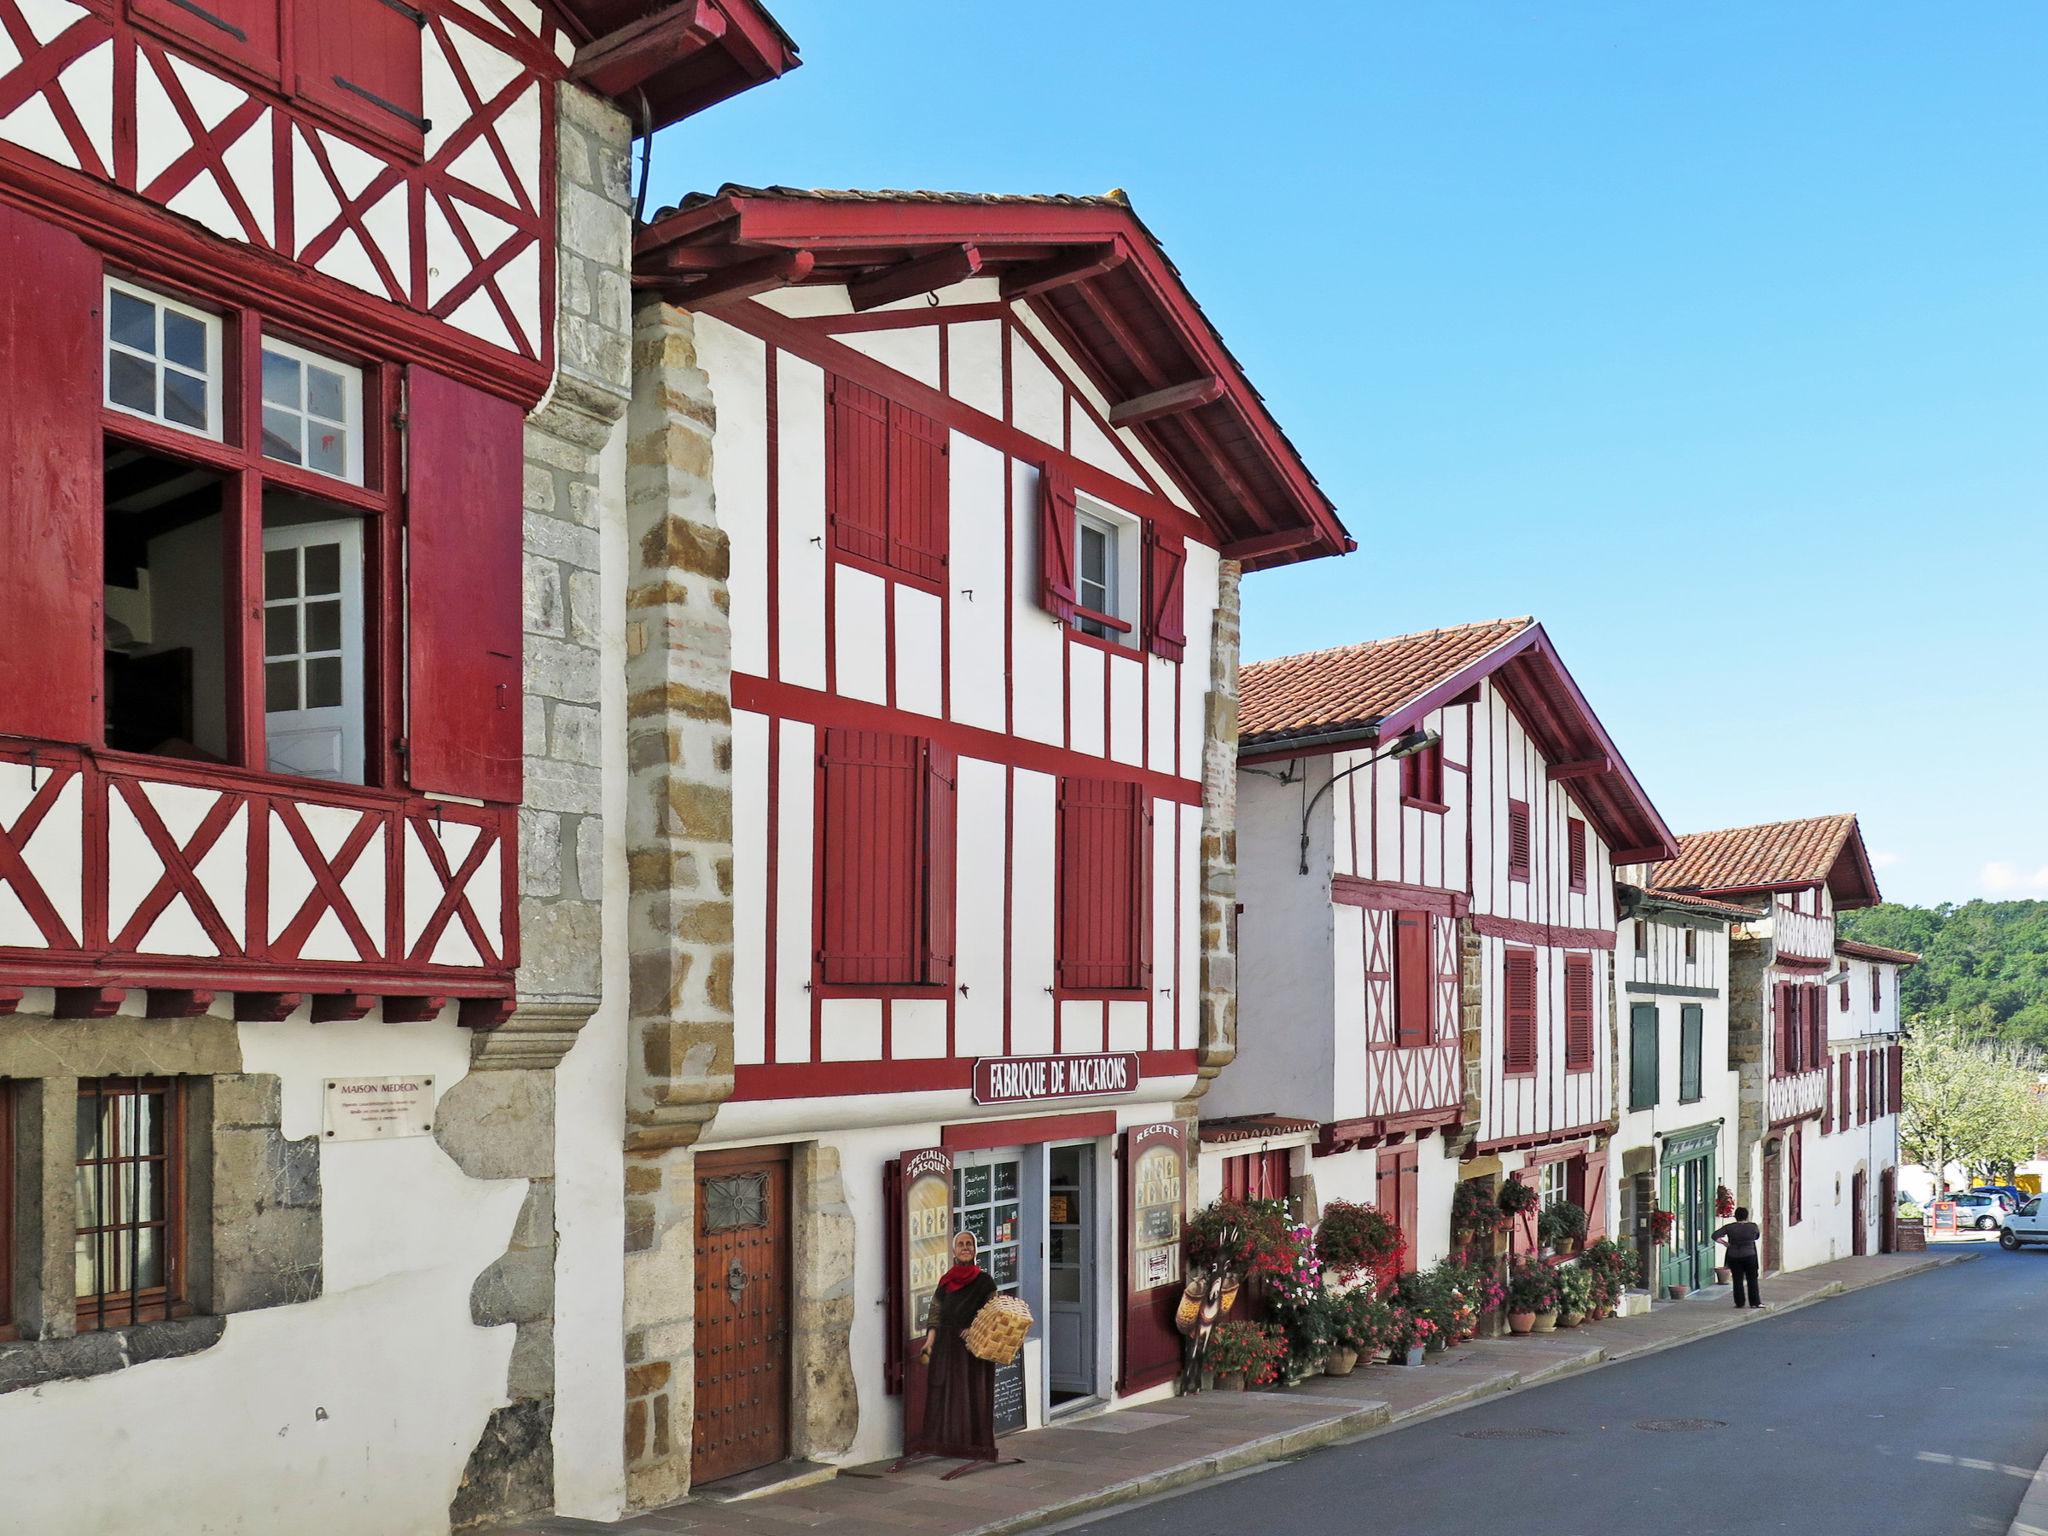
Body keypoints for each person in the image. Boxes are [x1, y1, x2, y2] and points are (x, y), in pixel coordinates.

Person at [911, 1230, 1000, 1461]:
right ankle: (944, 1444)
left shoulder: (984, 1281)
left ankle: (973, 1446)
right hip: (946, 1346)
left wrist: (974, 1328)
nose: (965, 1247)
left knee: (971, 1393)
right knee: (945, 1392)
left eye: (969, 1244)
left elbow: (993, 1311)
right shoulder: (946, 1280)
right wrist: (929, 1341)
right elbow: (936, 1312)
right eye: (961, 1244)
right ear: (954, 1251)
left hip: (972, 1347)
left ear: (975, 1249)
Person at [1714, 1205, 1764, 1310]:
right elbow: (1756, 1236)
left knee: (1737, 1280)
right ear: (1746, 1216)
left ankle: (1739, 1303)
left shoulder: (1730, 1227)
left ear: (1735, 1216)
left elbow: (1715, 1235)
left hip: (1734, 1255)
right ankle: (1755, 1302)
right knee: (1752, 1279)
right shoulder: (1753, 1226)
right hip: (1749, 1255)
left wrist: (1725, 1243)